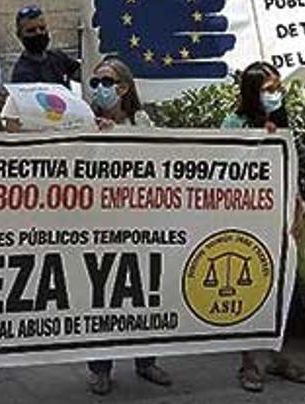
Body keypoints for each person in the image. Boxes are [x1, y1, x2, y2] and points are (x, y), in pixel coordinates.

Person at [220, 61, 305, 392]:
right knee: (247, 288)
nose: (276, 94)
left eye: (278, 87)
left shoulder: (283, 119)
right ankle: (248, 363)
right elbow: (225, 169)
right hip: (247, 219)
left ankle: (278, 356)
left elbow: (293, 167)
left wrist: (298, 209)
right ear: (252, 92)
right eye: (268, 89)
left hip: (281, 217)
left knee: (280, 288)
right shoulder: (234, 123)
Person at [83, 57, 171, 395]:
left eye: (107, 82)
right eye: (95, 83)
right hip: (98, 226)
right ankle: (100, 368)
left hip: (139, 224)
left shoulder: (141, 120)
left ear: (123, 87)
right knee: (101, 297)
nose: (100, 89)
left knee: (142, 295)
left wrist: (120, 133)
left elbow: (156, 160)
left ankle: (146, 361)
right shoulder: (84, 120)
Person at [10, 5, 80, 86]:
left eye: (42, 28)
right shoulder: (22, 73)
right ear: (20, 36)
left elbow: (81, 73)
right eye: (31, 30)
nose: (39, 33)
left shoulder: (58, 57)